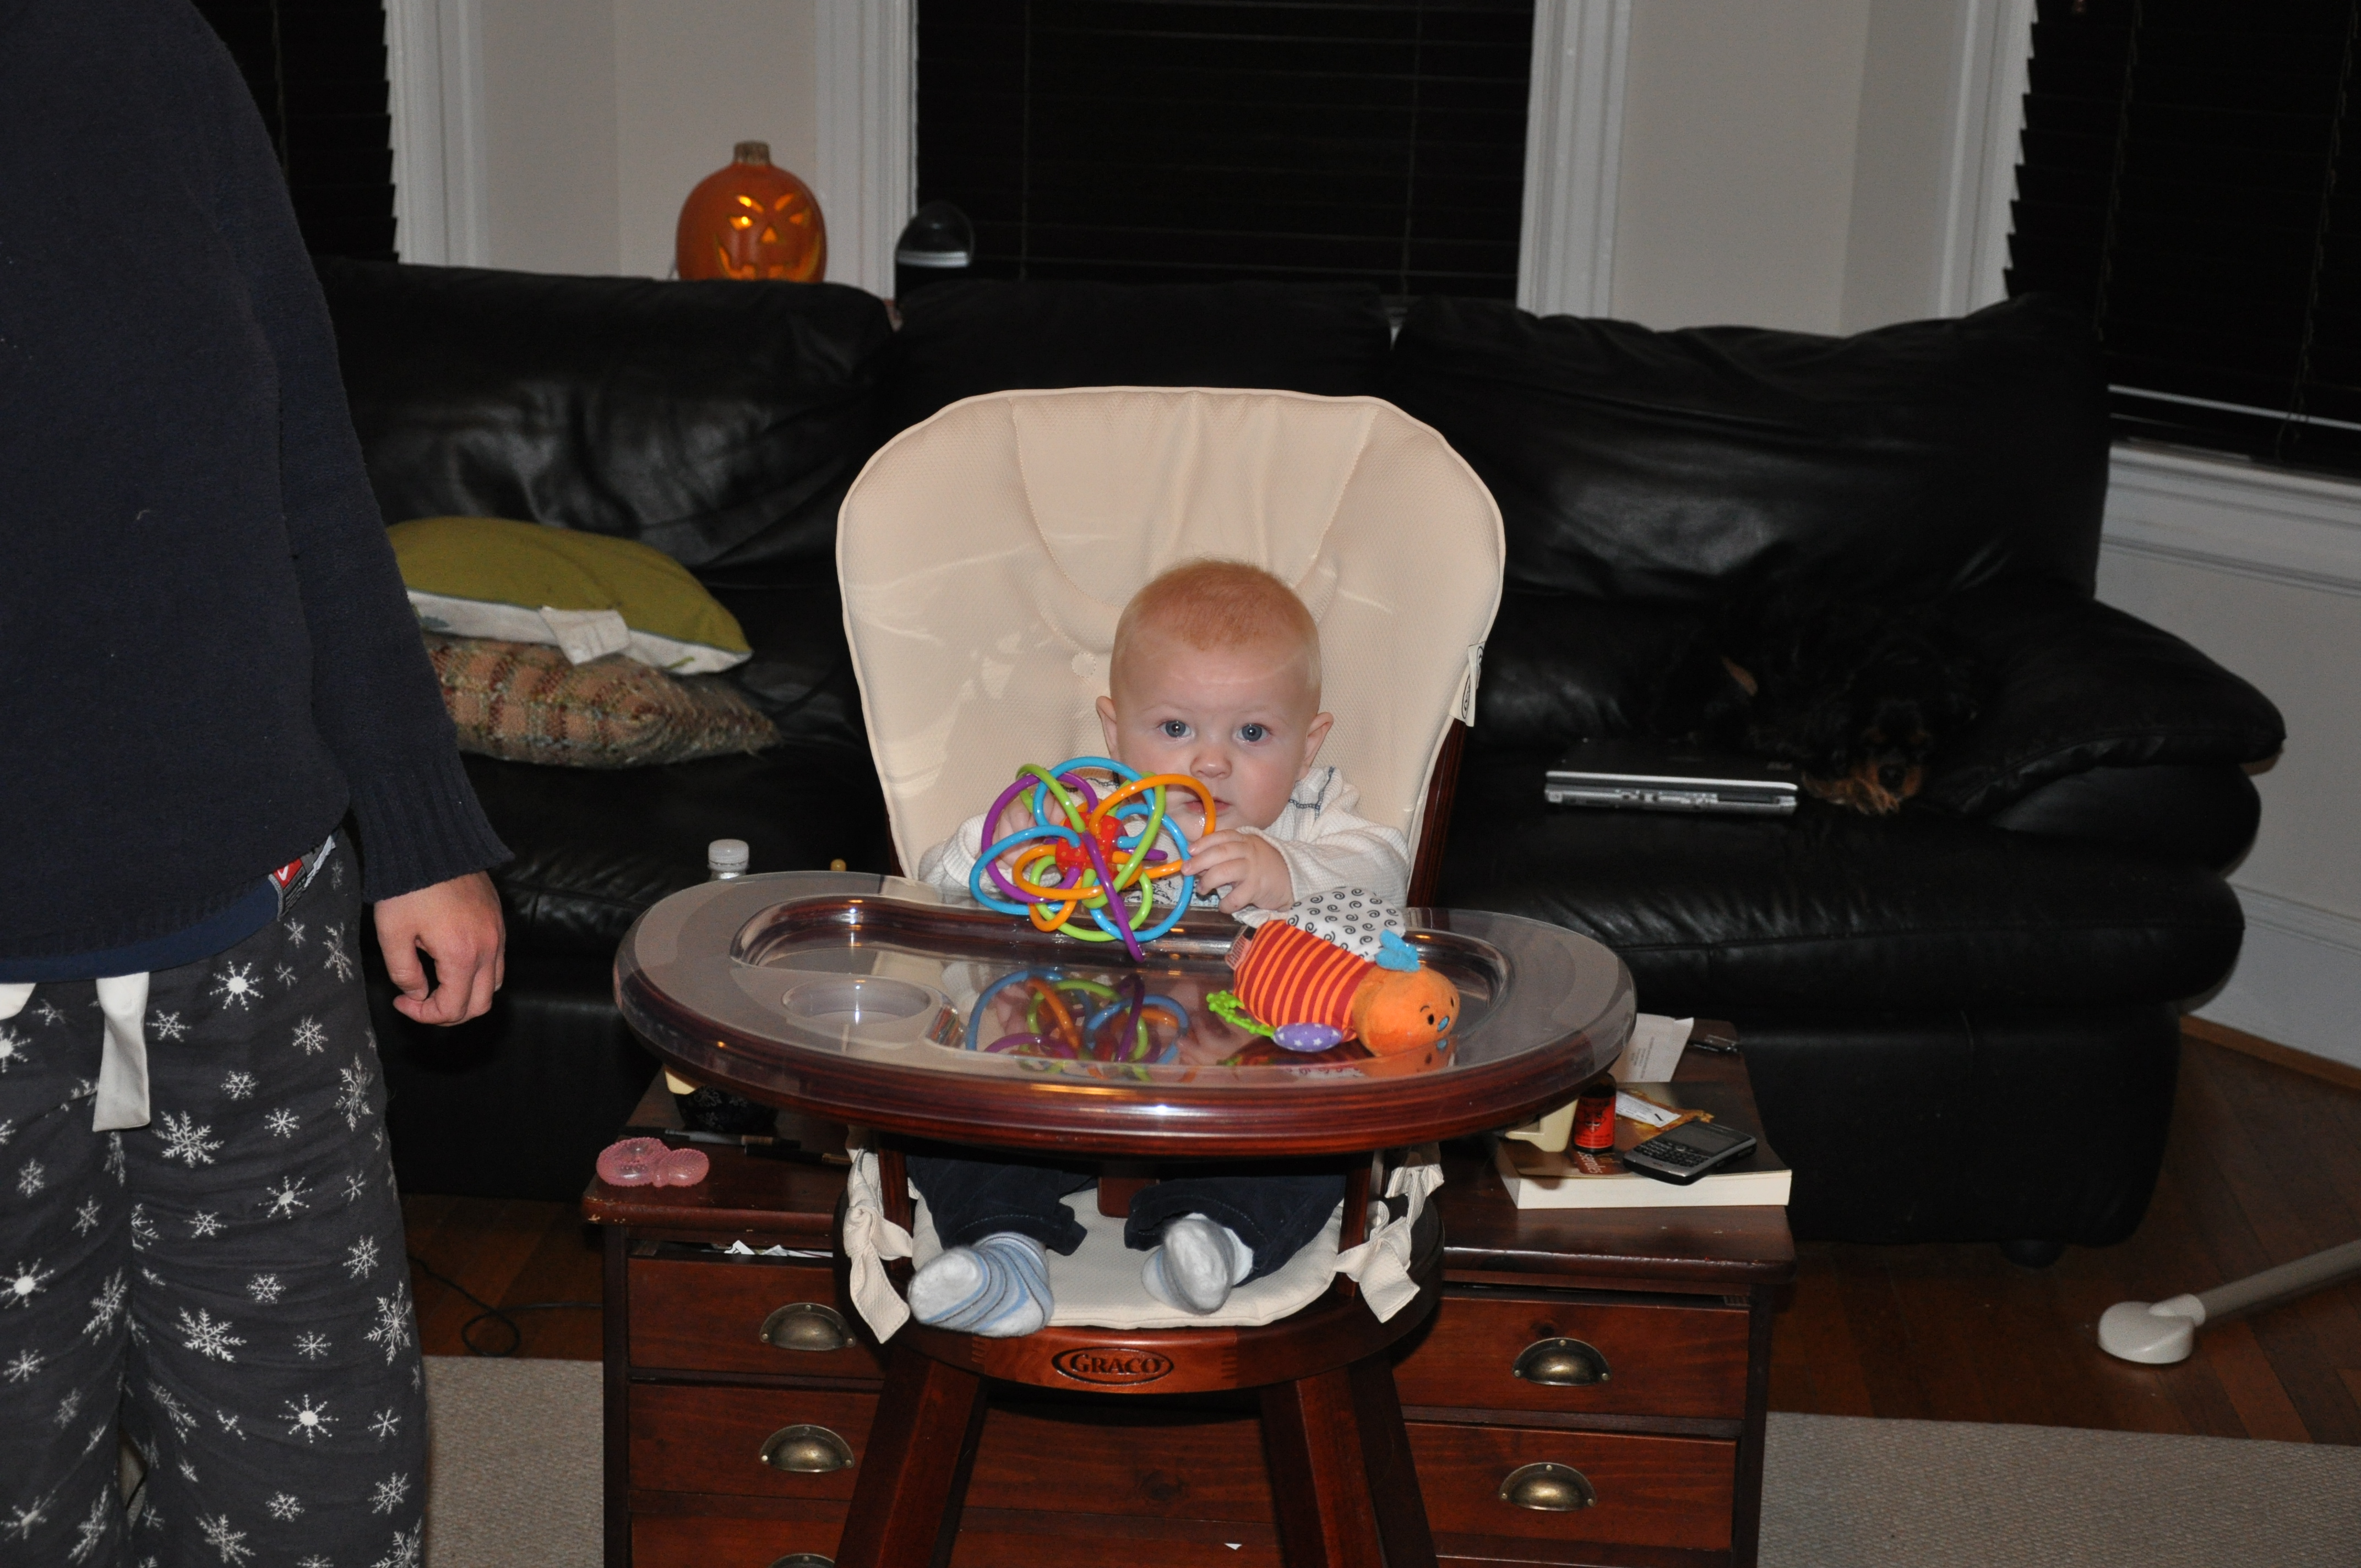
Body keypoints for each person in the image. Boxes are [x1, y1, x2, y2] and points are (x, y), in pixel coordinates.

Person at [1, 2, 509, 1562]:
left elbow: (306, 451)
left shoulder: (148, 45)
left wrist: (417, 822)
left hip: (258, 945)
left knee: (331, 1509)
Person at [905, 559, 1407, 1336]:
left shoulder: (1308, 819)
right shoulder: (1087, 815)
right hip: (1067, 1079)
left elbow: (1387, 876)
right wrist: (998, 845)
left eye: (1253, 733)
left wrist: (1288, 871)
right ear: (1116, 733)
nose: (1211, 762)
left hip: (1246, 1105)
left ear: (1308, 747)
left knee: (1318, 1151)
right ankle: (1005, 1254)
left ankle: (1215, 1242)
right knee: (945, 1122)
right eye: (1175, 729)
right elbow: (934, 892)